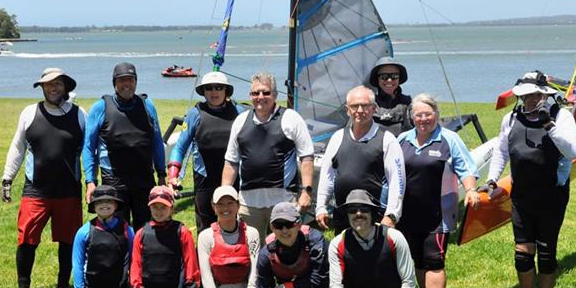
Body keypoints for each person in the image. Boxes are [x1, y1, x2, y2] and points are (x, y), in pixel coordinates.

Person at [486, 70, 576, 288]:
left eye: (535, 95)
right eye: (526, 96)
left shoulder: (561, 117)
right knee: (522, 253)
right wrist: (492, 179)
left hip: (552, 195)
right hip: (522, 196)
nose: (530, 100)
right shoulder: (510, 118)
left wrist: (549, 126)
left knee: (547, 254)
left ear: (545, 94)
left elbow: (573, 151)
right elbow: (501, 151)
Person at [2, 68, 87, 288]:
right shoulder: (29, 113)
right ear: (42, 87)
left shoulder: (80, 115)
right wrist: (7, 178)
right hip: (35, 190)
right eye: (48, 84)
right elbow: (18, 147)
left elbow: (91, 150)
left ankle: (62, 285)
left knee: (68, 240)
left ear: (65, 86)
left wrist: (92, 182)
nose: (53, 88)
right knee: (27, 239)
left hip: (69, 190)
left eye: (58, 83)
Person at [396, 94, 480, 288]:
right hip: (406, 214)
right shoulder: (402, 139)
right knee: (414, 262)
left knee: (434, 261)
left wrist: (471, 190)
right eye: (418, 115)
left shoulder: (448, 139)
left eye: (428, 114)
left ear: (436, 115)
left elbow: (466, 168)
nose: (423, 119)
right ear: (412, 117)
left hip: (438, 214)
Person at [222, 72, 314, 240]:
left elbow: (306, 156)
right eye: (255, 93)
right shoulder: (240, 121)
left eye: (266, 92)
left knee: (283, 249)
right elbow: (231, 162)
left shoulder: (291, 118)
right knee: (251, 250)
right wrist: (225, 195)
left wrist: (306, 191)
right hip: (248, 204)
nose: (260, 97)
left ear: (275, 95)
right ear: (250, 95)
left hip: (283, 201)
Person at [83, 62, 166, 228]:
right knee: (118, 231)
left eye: (130, 79)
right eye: (121, 80)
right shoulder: (101, 108)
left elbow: (157, 142)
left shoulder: (147, 105)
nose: (126, 84)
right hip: (113, 180)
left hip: (144, 178)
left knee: (146, 229)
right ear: (114, 83)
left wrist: (162, 174)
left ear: (135, 82)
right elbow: (88, 147)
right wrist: (90, 181)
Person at [316, 85, 406, 233]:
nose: (359, 111)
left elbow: (397, 181)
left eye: (365, 106)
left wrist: (392, 214)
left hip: (375, 217)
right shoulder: (337, 137)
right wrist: (321, 207)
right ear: (347, 110)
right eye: (354, 106)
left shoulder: (387, 139)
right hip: (343, 216)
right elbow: (327, 176)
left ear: (374, 108)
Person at [168, 71, 246, 232]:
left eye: (219, 87)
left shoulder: (239, 111)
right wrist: (173, 176)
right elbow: (180, 146)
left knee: (236, 225)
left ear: (226, 91)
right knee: (205, 227)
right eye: (209, 88)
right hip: (205, 179)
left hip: (235, 178)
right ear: (203, 92)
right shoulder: (195, 113)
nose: (214, 92)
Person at [254, 202, 329, 288]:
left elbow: (318, 280)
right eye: (278, 225)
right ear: (271, 228)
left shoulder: (315, 241)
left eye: (289, 224)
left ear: (299, 224)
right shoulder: (266, 254)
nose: (284, 230)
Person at [129, 186, 200, 288]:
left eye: (163, 207)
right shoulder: (141, 233)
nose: (159, 211)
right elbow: (136, 264)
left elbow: (190, 262)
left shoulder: (182, 232)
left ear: (172, 209)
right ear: (149, 208)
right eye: (155, 207)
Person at [198, 185, 262, 288]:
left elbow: (255, 273)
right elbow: (206, 278)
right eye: (220, 204)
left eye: (230, 203)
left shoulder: (251, 234)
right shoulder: (205, 237)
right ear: (213, 207)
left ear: (238, 206)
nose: (225, 208)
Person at [72, 185, 135, 288]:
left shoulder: (127, 230)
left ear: (116, 205)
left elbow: (134, 259)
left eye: (109, 201)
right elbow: (78, 265)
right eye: (100, 202)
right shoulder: (84, 232)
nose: (104, 205)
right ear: (93, 206)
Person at [369, 57, 413, 136]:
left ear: (399, 78)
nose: (389, 80)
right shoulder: (368, 103)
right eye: (384, 77)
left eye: (394, 76)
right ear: (377, 79)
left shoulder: (408, 102)